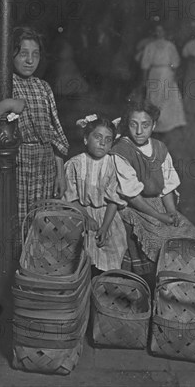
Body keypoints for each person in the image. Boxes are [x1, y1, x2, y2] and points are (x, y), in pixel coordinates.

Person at [0, 26, 69, 227]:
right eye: (23, 54)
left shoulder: (43, 87)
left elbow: (56, 134)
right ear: (10, 55)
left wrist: (60, 174)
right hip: (19, 166)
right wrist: (7, 104)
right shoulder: (3, 85)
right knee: (18, 224)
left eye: (35, 54)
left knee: (43, 225)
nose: (30, 60)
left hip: (45, 166)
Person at [110, 98, 195, 281]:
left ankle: (176, 284)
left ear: (154, 125)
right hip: (134, 205)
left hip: (157, 203)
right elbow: (132, 195)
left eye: (145, 124)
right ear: (127, 124)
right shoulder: (122, 150)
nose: (139, 131)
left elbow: (167, 186)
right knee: (159, 237)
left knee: (187, 229)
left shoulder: (160, 148)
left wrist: (171, 212)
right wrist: (160, 217)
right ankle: (154, 282)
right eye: (134, 125)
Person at [64, 114, 127, 273]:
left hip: (108, 217)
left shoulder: (114, 164)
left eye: (108, 139)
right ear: (86, 139)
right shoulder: (74, 164)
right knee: (82, 256)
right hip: (80, 214)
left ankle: (105, 287)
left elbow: (114, 199)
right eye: (97, 137)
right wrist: (87, 217)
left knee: (111, 253)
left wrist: (105, 227)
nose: (102, 143)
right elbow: (71, 197)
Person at [141, 23, 186, 133]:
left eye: (161, 30)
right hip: (154, 73)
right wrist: (144, 79)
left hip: (166, 73)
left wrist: (174, 75)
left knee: (167, 95)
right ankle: (156, 121)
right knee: (154, 96)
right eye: (157, 30)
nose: (159, 33)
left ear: (165, 32)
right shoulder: (150, 46)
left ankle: (168, 122)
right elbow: (145, 64)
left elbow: (175, 62)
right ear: (154, 32)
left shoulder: (170, 45)